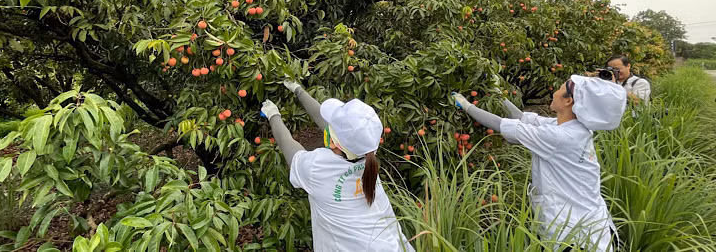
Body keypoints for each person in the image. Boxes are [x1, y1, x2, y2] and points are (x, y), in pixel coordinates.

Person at [453, 75, 626, 252]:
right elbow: (521, 118)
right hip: (592, 226)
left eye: (559, 88)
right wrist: (497, 93)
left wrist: (466, 106)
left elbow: (500, 124)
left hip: (574, 237)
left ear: (568, 100)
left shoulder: (559, 137)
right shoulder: (573, 127)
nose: (554, 92)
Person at [259, 81, 415, 252]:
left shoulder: (318, 168)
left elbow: (286, 143)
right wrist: (299, 91)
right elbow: (330, 124)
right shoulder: (367, 159)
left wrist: (273, 114)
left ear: (333, 142)